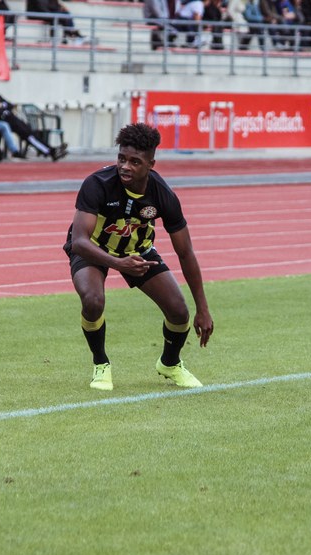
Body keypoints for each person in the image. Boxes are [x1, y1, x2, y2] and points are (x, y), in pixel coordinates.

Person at [63, 123, 214, 391]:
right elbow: (79, 241)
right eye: (121, 158)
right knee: (93, 300)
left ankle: (170, 363)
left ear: (150, 164)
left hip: (138, 251)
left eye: (135, 162)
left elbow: (185, 252)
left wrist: (203, 308)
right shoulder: (97, 184)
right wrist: (118, 263)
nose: (125, 166)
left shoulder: (163, 194)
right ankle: (101, 363)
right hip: (94, 248)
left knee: (179, 312)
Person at [0, 75, 67, 161]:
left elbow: (10, 105)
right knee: (28, 135)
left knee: (31, 132)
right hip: (3, 121)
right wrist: (3, 106)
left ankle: (51, 149)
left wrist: (2, 105)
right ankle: (50, 152)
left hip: (12, 118)